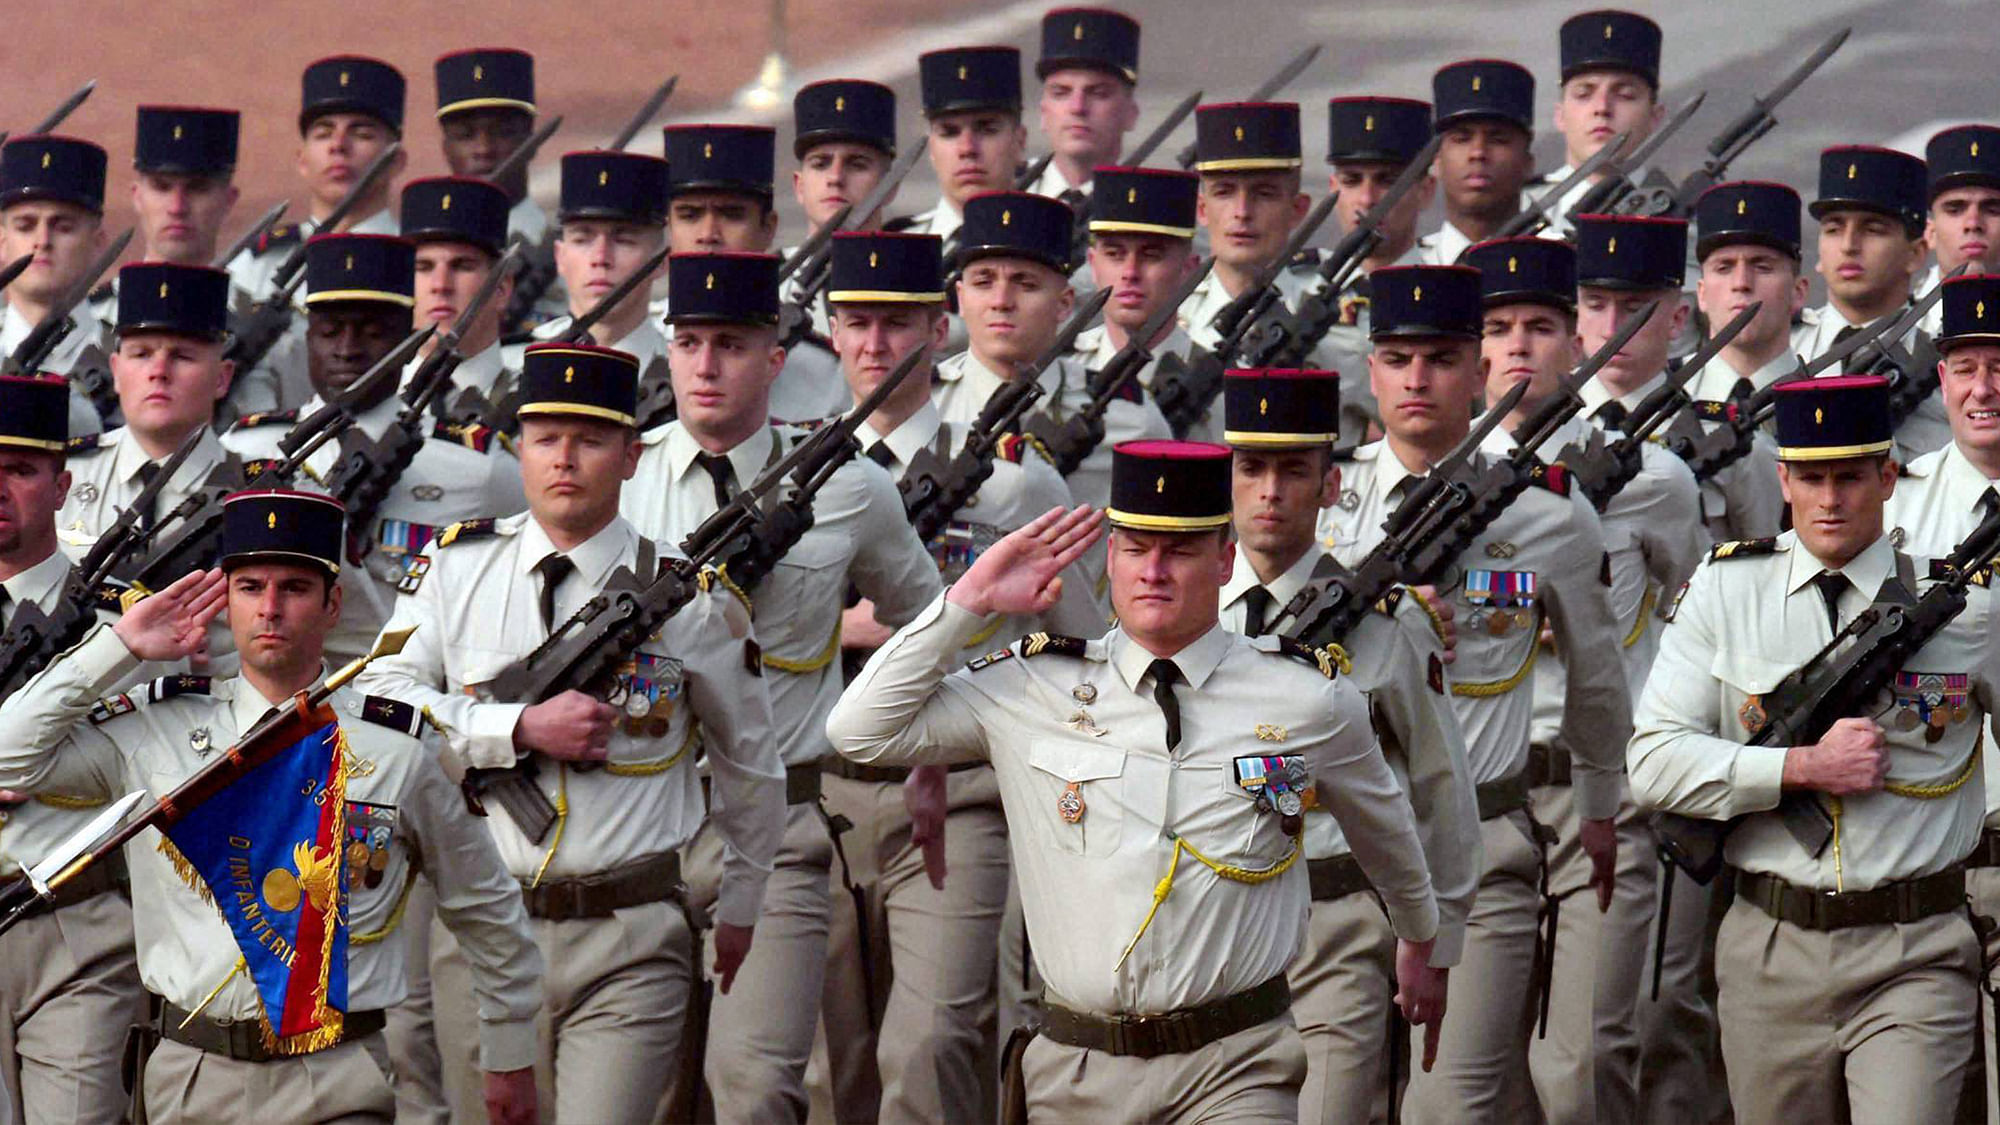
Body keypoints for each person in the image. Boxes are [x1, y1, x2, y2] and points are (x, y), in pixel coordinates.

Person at [827, 440, 1444, 1121]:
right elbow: (858, 729)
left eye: (1178, 549)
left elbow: (1386, 828)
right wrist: (966, 601)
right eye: (1134, 547)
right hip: (1080, 1068)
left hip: (1235, 1063)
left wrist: (1420, 938)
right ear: (1110, 559)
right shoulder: (1034, 686)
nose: (1153, 571)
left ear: (1224, 559)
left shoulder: (1306, 697)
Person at [0, 488, 544, 1124]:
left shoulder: (400, 749)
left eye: (295, 588)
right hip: (193, 1072)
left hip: (337, 1075)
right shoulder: (157, 728)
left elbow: (482, 904)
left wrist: (508, 1050)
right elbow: (8, 756)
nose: (271, 609)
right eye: (251, 587)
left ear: (333, 603)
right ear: (225, 601)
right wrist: (117, 647)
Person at [357, 340, 784, 1121]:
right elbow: (381, 697)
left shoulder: (685, 598)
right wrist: (513, 726)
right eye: (547, 437)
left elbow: (749, 761)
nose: (565, 459)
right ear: (519, 448)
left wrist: (743, 901)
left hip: (629, 934)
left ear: (631, 455)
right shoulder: (456, 570)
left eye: (589, 440)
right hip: (483, 927)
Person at [618, 250, 940, 1122]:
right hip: (635, 829)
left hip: (782, 833)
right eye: (689, 342)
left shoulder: (849, 486)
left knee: (759, 1091)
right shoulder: (622, 478)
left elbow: (929, 622)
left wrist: (930, 762)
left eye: (730, 342)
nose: (707, 364)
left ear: (774, 356)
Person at [1629, 373, 1996, 1124]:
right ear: (1783, 478)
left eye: (1852, 476)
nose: (1831, 499)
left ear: (1888, 477)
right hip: (1771, 949)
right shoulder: (1727, 588)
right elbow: (1654, 762)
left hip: (1916, 947)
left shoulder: (1970, 611)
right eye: (1814, 477)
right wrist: (1797, 767)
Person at [1316, 263, 1630, 1123]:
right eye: (1397, 357)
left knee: (1452, 1107)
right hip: (1331, 856)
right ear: (1370, 369)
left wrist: (1599, 805)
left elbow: (1597, 674)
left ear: (1480, 368)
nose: (1417, 380)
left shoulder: (1549, 514)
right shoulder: (1317, 502)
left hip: (1482, 850)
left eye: (1443, 358)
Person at [813, 229, 1097, 1123]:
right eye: (854, 324)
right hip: (818, 792)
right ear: (829, 333)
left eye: (896, 325)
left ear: (938, 331)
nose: (873, 346)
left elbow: (1083, 645)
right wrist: (850, 620)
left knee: (934, 1042)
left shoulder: (1016, 482)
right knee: (832, 1064)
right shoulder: (802, 479)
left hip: (966, 790)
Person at [1468, 230, 1701, 1125]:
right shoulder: (1436, 485)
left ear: (1576, 341)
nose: (1518, 345)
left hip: (1593, 794)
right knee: (1471, 1078)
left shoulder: (1652, 479)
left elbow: (1692, 619)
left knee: (1585, 1062)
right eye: (1498, 326)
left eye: (1539, 324)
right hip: (1481, 796)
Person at [1219, 366, 1481, 1124]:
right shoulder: (1186, 611)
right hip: (1216, 921)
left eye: (1294, 470)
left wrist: (1435, 939)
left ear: (1331, 486)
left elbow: (1440, 785)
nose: (1270, 490)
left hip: (1338, 920)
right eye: (1252, 468)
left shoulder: (1386, 622)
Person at [222, 229, 525, 665]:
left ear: (408, 343)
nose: (347, 350)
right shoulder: (246, 450)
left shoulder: (478, 469)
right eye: (329, 332)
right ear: (308, 339)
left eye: (372, 333)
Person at [0, 374, 146, 1124]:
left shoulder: (130, 621)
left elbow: (157, 765)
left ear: (61, 485)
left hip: (76, 927)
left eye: (19, 471)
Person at [1883, 271, 2000, 1123]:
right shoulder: (1894, 509)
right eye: (1964, 365)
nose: (1983, 389)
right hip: (1924, 862)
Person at [935, 189, 1171, 515]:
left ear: (1064, 303)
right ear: (960, 298)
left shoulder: (1129, 419)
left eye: (1026, 284)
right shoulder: (927, 405)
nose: (1001, 300)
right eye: (983, 282)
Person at [228, 56, 409, 413]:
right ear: (302, 159)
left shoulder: (422, 265)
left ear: (397, 160)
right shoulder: (256, 265)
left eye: (362, 133)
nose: (339, 145)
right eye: (323, 133)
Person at [660, 123, 849, 422]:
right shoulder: (643, 345)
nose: (709, 234)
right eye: (690, 215)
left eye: (731, 215)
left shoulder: (824, 371)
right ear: (668, 226)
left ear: (768, 228)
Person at [1177, 101, 1350, 399]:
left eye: (1264, 193)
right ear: (1202, 210)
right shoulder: (1172, 324)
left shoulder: (1341, 333)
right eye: (1225, 192)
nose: (1242, 212)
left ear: (1297, 210)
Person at [57, 261, 239, 541]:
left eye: (182, 356)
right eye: (141, 354)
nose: (159, 372)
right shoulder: (65, 476)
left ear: (221, 378)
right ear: (116, 371)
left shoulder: (250, 489)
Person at [1794, 145, 1947, 460]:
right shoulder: (1783, 352)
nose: (1849, 246)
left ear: (1915, 253)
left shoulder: (1949, 366)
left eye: (1873, 230)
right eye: (1834, 229)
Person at [1680, 180, 1799, 539]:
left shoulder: (1833, 403)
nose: (1741, 283)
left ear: (1799, 292)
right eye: (1723, 267)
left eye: (1762, 267)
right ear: (1701, 294)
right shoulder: (1667, 403)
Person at [1317, 95, 1438, 439]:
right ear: (1333, 189)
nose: (1368, 200)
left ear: (1425, 190)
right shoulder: (1300, 290)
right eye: (1352, 180)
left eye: (1387, 181)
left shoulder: (1446, 292)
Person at [516, 150, 671, 399]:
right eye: (582, 239)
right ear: (560, 256)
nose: (600, 258)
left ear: (661, 262)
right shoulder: (515, 373)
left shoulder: (688, 379)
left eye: (624, 240)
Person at [1069, 165, 1204, 433]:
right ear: (1094, 266)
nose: (1130, 273)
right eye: (1115, 255)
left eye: (1151, 254)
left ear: (1189, 269)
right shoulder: (1065, 371)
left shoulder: (1218, 383)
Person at [0, 134, 116, 438]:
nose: (43, 241)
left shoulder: (129, 360)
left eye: (63, 226)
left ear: (98, 241)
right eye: (25, 225)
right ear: (1, 241)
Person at [1524, 10, 1670, 238]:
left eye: (1625, 94)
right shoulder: (1520, 212)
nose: (1602, 108)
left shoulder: (1679, 215)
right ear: (1560, 115)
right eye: (1584, 94)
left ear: (1655, 116)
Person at [398, 175, 522, 429]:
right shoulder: (372, 405)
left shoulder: (539, 406)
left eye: (462, 266)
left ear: (502, 288)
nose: (440, 284)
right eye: (423, 267)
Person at [784, 78, 900, 349]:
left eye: (857, 164)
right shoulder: (763, 286)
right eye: (821, 163)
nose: (835, 178)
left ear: (891, 185)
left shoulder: (919, 281)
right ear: (799, 186)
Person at [900, 46, 1026, 240]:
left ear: (1019, 141)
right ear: (931, 148)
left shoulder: (1060, 246)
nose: (967, 148)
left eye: (986, 129)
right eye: (949, 133)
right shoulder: (901, 251)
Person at [1418, 60, 1536, 265]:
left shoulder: (1557, 265)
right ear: (1436, 162)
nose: (1478, 152)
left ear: (1528, 163)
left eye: (1498, 139)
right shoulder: (1408, 269)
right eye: (1461, 139)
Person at [1025, 7, 1141, 204]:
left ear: (1131, 114)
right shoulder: (1006, 193)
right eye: (1061, 93)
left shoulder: (1146, 203)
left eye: (1099, 93)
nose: (1077, 107)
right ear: (1043, 113)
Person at [1918, 125, 2000, 337]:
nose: (1973, 223)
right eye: (1955, 209)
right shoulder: (1888, 332)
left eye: (1992, 209)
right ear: (1931, 232)